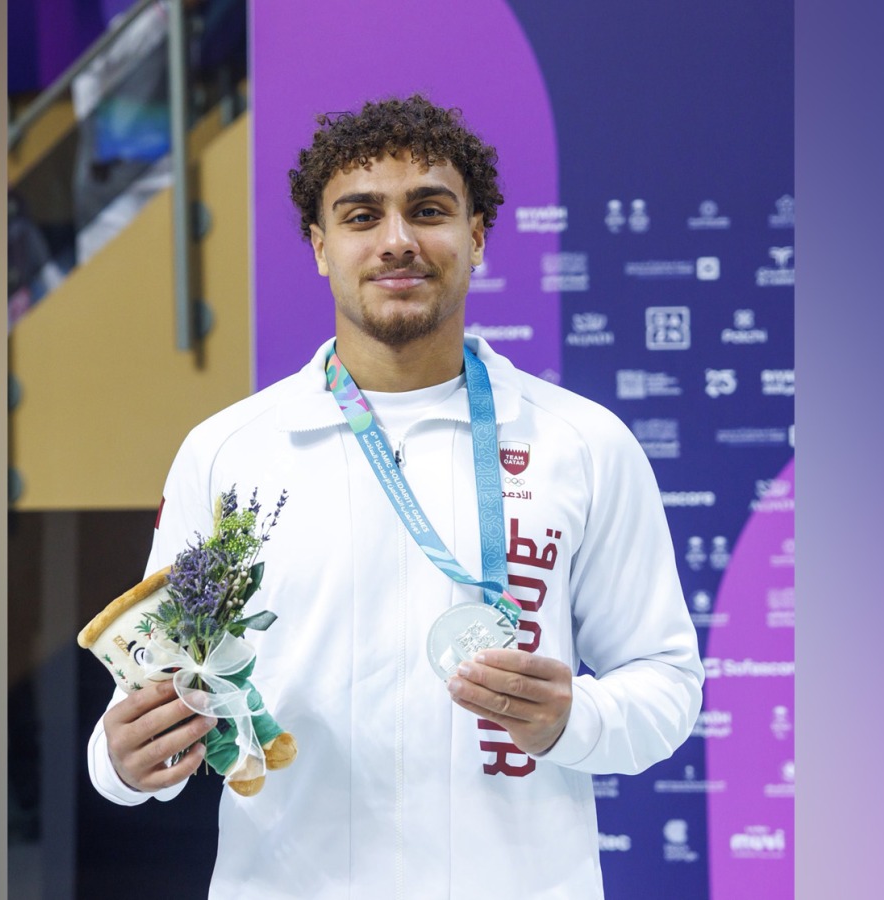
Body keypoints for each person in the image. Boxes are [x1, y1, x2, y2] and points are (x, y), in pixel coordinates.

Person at [87, 94, 703, 898]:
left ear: (477, 235)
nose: (398, 240)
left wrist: (571, 721)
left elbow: (666, 683)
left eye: (429, 210)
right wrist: (122, 762)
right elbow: (158, 685)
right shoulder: (230, 453)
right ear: (319, 246)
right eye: (361, 215)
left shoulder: (582, 444)